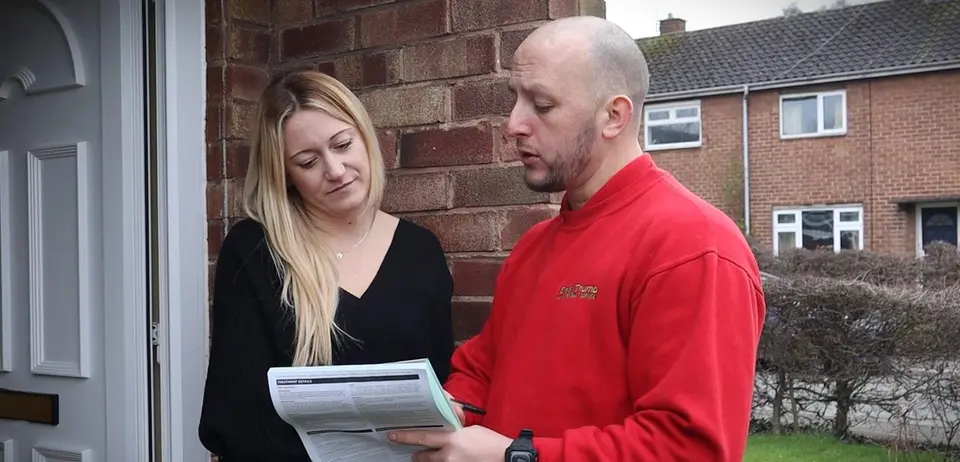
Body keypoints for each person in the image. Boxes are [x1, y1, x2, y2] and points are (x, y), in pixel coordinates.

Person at [388, 16, 766, 462]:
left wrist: (515, 456)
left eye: (542, 105)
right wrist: (449, 411)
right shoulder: (534, 246)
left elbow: (689, 449)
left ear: (614, 115)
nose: (513, 125)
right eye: (516, 101)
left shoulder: (693, 247)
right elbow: (481, 371)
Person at [198, 70, 455, 461]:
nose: (335, 170)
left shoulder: (421, 252)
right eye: (307, 161)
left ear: (365, 138)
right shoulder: (254, 251)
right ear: (285, 176)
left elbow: (439, 385)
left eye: (343, 144)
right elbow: (235, 412)